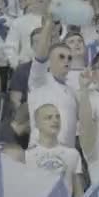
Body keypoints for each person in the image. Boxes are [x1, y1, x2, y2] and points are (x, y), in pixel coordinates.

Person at [28, 15, 78, 147]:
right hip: (40, 152)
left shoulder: (72, 90)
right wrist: (49, 22)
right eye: (61, 57)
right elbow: (40, 55)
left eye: (69, 58)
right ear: (49, 60)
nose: (66, 60)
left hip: (67, 155)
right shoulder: (39, 80)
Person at [25, 104, 84, 197]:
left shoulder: (73, 154)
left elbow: (79, 195)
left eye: (58, 117)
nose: (55, 120)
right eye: (48, 117)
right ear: (37, 123)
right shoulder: (26, 156)